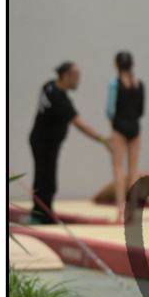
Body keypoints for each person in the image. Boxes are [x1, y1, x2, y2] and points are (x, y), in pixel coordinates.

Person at [28, 62, 109, 223]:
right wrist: (102, 140)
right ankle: (40, 215)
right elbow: (80, 124)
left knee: (45, 178)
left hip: (45, 141)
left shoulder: (49, 86)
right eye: (76, 76)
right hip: (44, 142)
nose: (78, 80)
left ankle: (43, 212)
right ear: (66, 76)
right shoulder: (59, 99)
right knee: (46, 180)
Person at [106, 51, 146, 223]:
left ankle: (120, 211)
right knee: (133, 170)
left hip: (119, 127)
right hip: (135, 127)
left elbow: (109, 110)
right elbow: (141, 111)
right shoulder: (139, 84)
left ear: (116, 65)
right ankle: (133, 210)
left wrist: (113, 127)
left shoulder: (114, 84)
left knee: (118, 168)